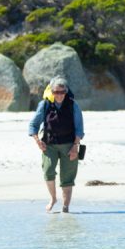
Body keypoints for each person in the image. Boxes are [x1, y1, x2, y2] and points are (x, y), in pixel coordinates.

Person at [28, 76, 84, 213]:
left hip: (69, 145)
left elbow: (79, 128)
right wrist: (37, 140)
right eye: (56, 92)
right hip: (49, 145)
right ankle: (53, 198)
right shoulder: (45, 104)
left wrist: (75, 146)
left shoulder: (73, 105)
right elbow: (33, 125)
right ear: (51, 92)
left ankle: (65, 207)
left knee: (67, 178)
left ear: (66, 91)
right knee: (48, 172)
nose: (59, 95)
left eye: (62, 92)